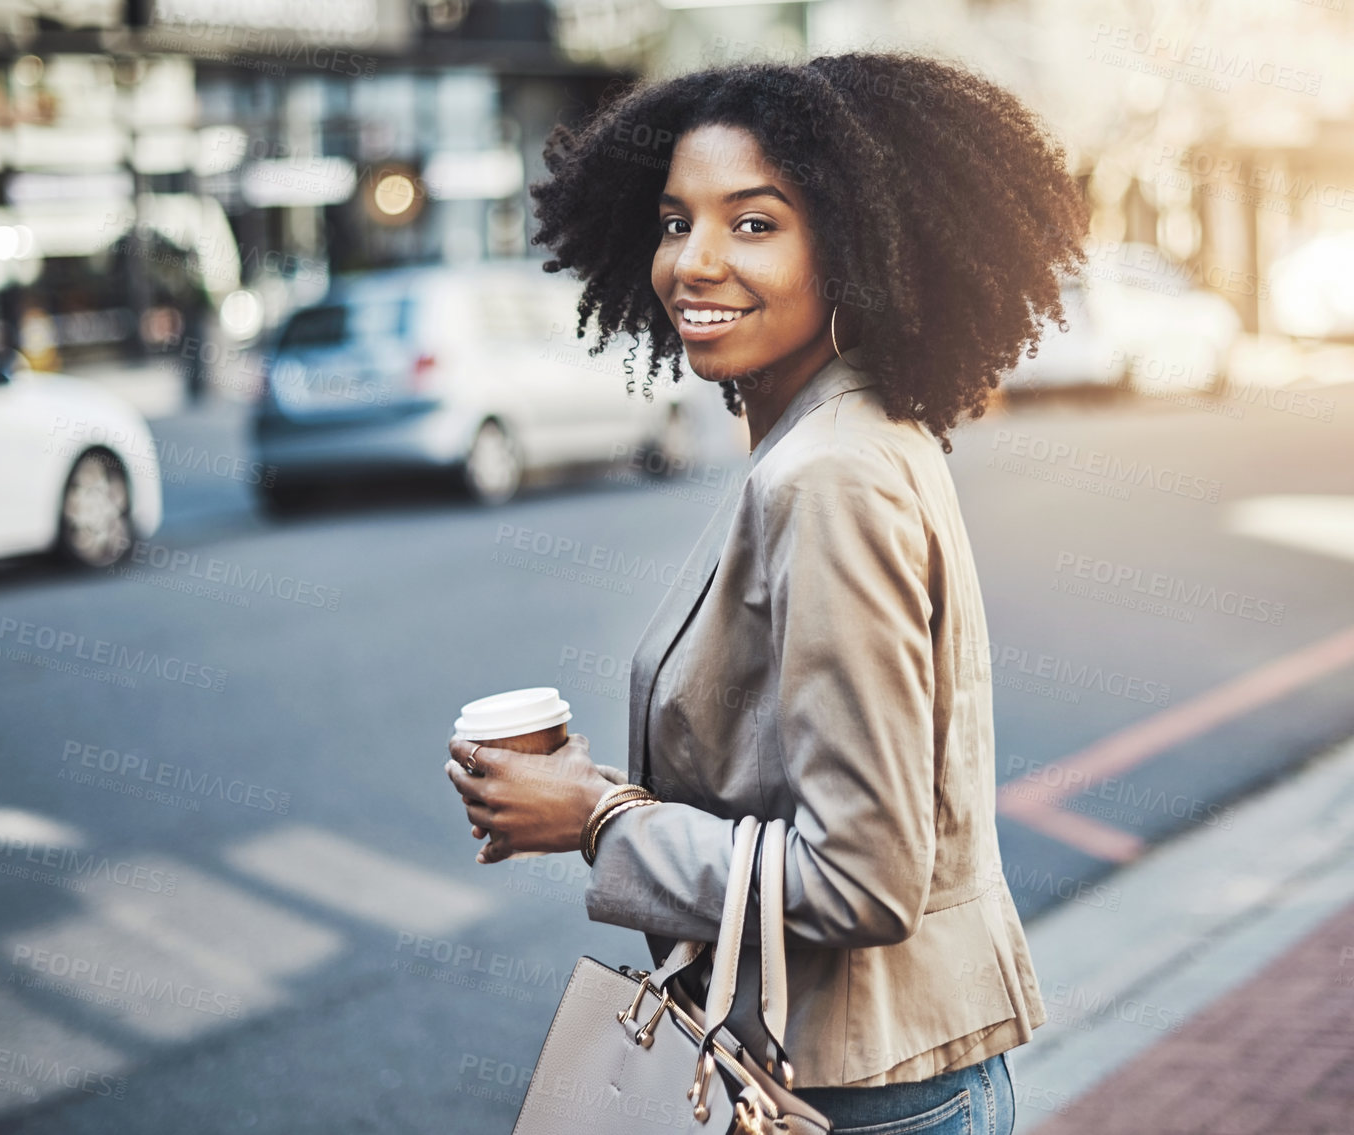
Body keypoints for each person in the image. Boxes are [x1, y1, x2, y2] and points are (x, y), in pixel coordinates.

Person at [445, 50, 1087, 1135]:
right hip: (867, 1076)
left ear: (852, 243)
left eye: (753, 223)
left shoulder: (828, 472)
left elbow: (864, 876)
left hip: (855, 1096)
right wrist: (590, 791)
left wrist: (599, 818)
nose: (692, 262)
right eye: (671, 220)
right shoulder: (841, 430)